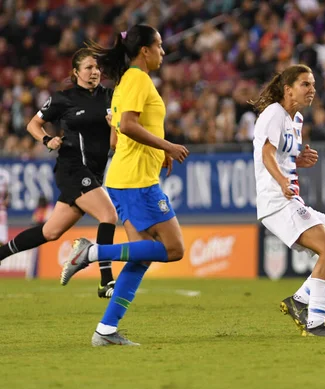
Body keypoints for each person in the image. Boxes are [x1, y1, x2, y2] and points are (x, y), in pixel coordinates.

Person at [62, 24, 189, 346]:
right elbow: (129, 125)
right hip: (135, 181)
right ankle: (92, 252)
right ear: (144, 50)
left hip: (130, 176)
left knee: (140, 257)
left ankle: (105, 331)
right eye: (159, 45)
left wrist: (156, 151)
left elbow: (118, 137)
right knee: (174, 249)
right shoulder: (136, 79)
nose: (162, 51)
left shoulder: (126, 82)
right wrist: (167, 145)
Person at [251, 64, 325, 337]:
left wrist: (297, 160)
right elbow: (266, 154)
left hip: (292, 199)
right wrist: (282, 182)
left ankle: (299, 300)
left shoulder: (296, 119)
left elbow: (280, 155)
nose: (312, 90)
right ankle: (315, 324)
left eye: (313, 84)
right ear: (288, 89)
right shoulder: (273, 114)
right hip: (277, 202)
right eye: (305, 84)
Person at [0, 48, 118, 298]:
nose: (94, 71)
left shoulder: (110, 96)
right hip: (72, 168)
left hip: (94, 172)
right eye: (88, 67)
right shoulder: (63, 99)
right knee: (108, 214)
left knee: (51, 232)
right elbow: (33, 123)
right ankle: (106, 280)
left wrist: (114, 126)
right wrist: (46, 140)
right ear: (76, 73)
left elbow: (115, 144)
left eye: (96, 68)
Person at [0, 168, 9, 245]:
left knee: (2, 236)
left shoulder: (4, 173)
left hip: (2, 210)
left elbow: (8, 192)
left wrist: (6, 201)